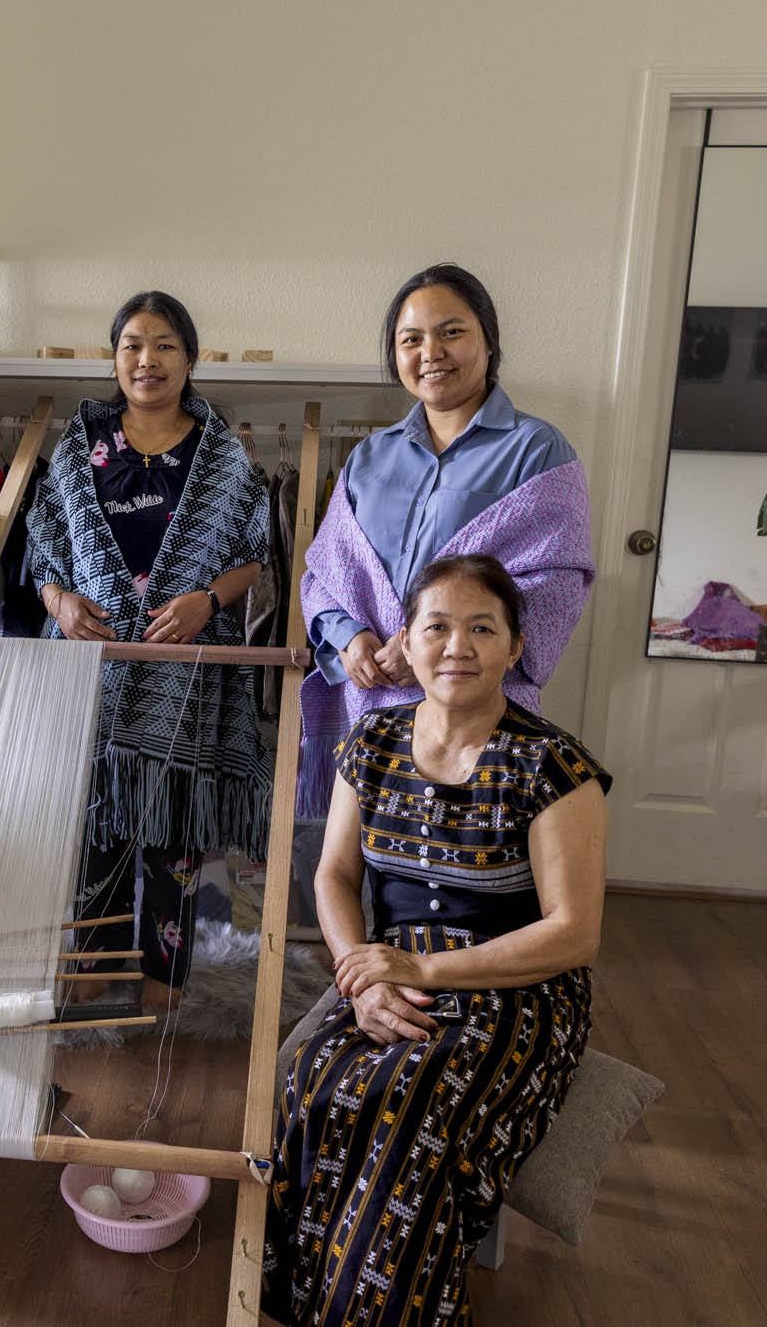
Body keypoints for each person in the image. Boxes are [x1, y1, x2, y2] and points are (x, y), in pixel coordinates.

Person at [262, 555, 609, 1325]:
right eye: (438, 627)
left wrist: (422, 966)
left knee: (411, 1096)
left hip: (519, 984)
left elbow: (573, 935)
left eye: (483, 628)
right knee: (310, 1081)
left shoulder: (551, 767)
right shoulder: (374, 740)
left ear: (516, 647)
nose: (459, 646)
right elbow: (333, 878)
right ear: (407, 646)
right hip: (390, 967)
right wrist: (366, 980)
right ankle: (298, 1300)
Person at [25, 290, 269, 1012]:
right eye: (132, 344)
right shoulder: (77, 450)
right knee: (97, 819)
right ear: (115, 358)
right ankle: (93, 961)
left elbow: (254, 551)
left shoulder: (222, 454)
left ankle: (165, 973)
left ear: (189, 358)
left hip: (184, 671)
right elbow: (44, 548)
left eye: (164, 344)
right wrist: (60, 603)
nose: (147, 359)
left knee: (175, 827)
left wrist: (208, 602)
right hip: (91, 668)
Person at [297, 264, 594, 813]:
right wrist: (351, 637)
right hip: (373, 705)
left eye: (451, 332)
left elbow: (554, 586)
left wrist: (432, 647)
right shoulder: (368, 457)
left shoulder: (537, 450)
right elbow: (326, 574)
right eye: (411, 339)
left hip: (475, 711)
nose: (430, 351)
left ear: (487, 339)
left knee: (457, 867)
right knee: (361, 862)